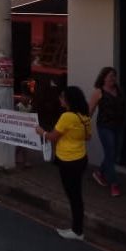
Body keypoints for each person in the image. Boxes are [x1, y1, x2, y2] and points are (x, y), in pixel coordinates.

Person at [36, 86, 92, 240]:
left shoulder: (67, 117)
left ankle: (77, 230)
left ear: (69, 100)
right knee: (76, 195)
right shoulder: (84, 117)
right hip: (81, 158)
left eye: (62, 97)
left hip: (68, 160)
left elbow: (53, 136)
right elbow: (88, 137)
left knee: (73, 195)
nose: (60, 99)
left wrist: (42, 132)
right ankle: (77, 228)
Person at [88, 67, 126, 197]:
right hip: (105, 127)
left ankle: (99, 173)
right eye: (110, 76)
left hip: (119, 126)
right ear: (103, 77)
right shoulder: (99, 92)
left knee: (114, 155)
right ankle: (114, 184)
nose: (113, 78)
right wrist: (84, 126)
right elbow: (90, 110)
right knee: (110, 153)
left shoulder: (119, 90)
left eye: (114, 76)